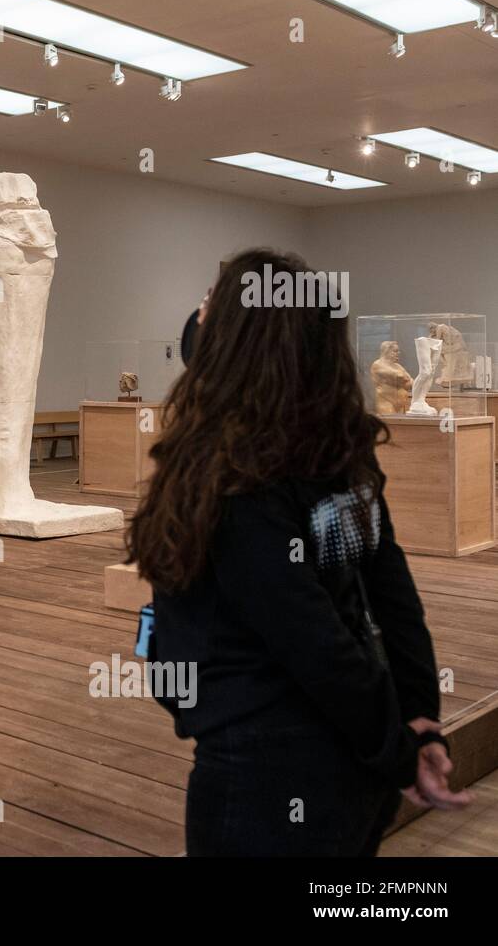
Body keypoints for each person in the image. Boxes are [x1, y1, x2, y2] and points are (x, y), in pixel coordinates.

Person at [127, 248, 470, 856]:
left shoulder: (230, 474)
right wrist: (418, 722)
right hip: (350, 762)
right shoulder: (339, 450)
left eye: (213, 309)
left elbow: (310, 638)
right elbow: (393, 594)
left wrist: (398, 748)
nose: (200, 317)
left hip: (263, 769)